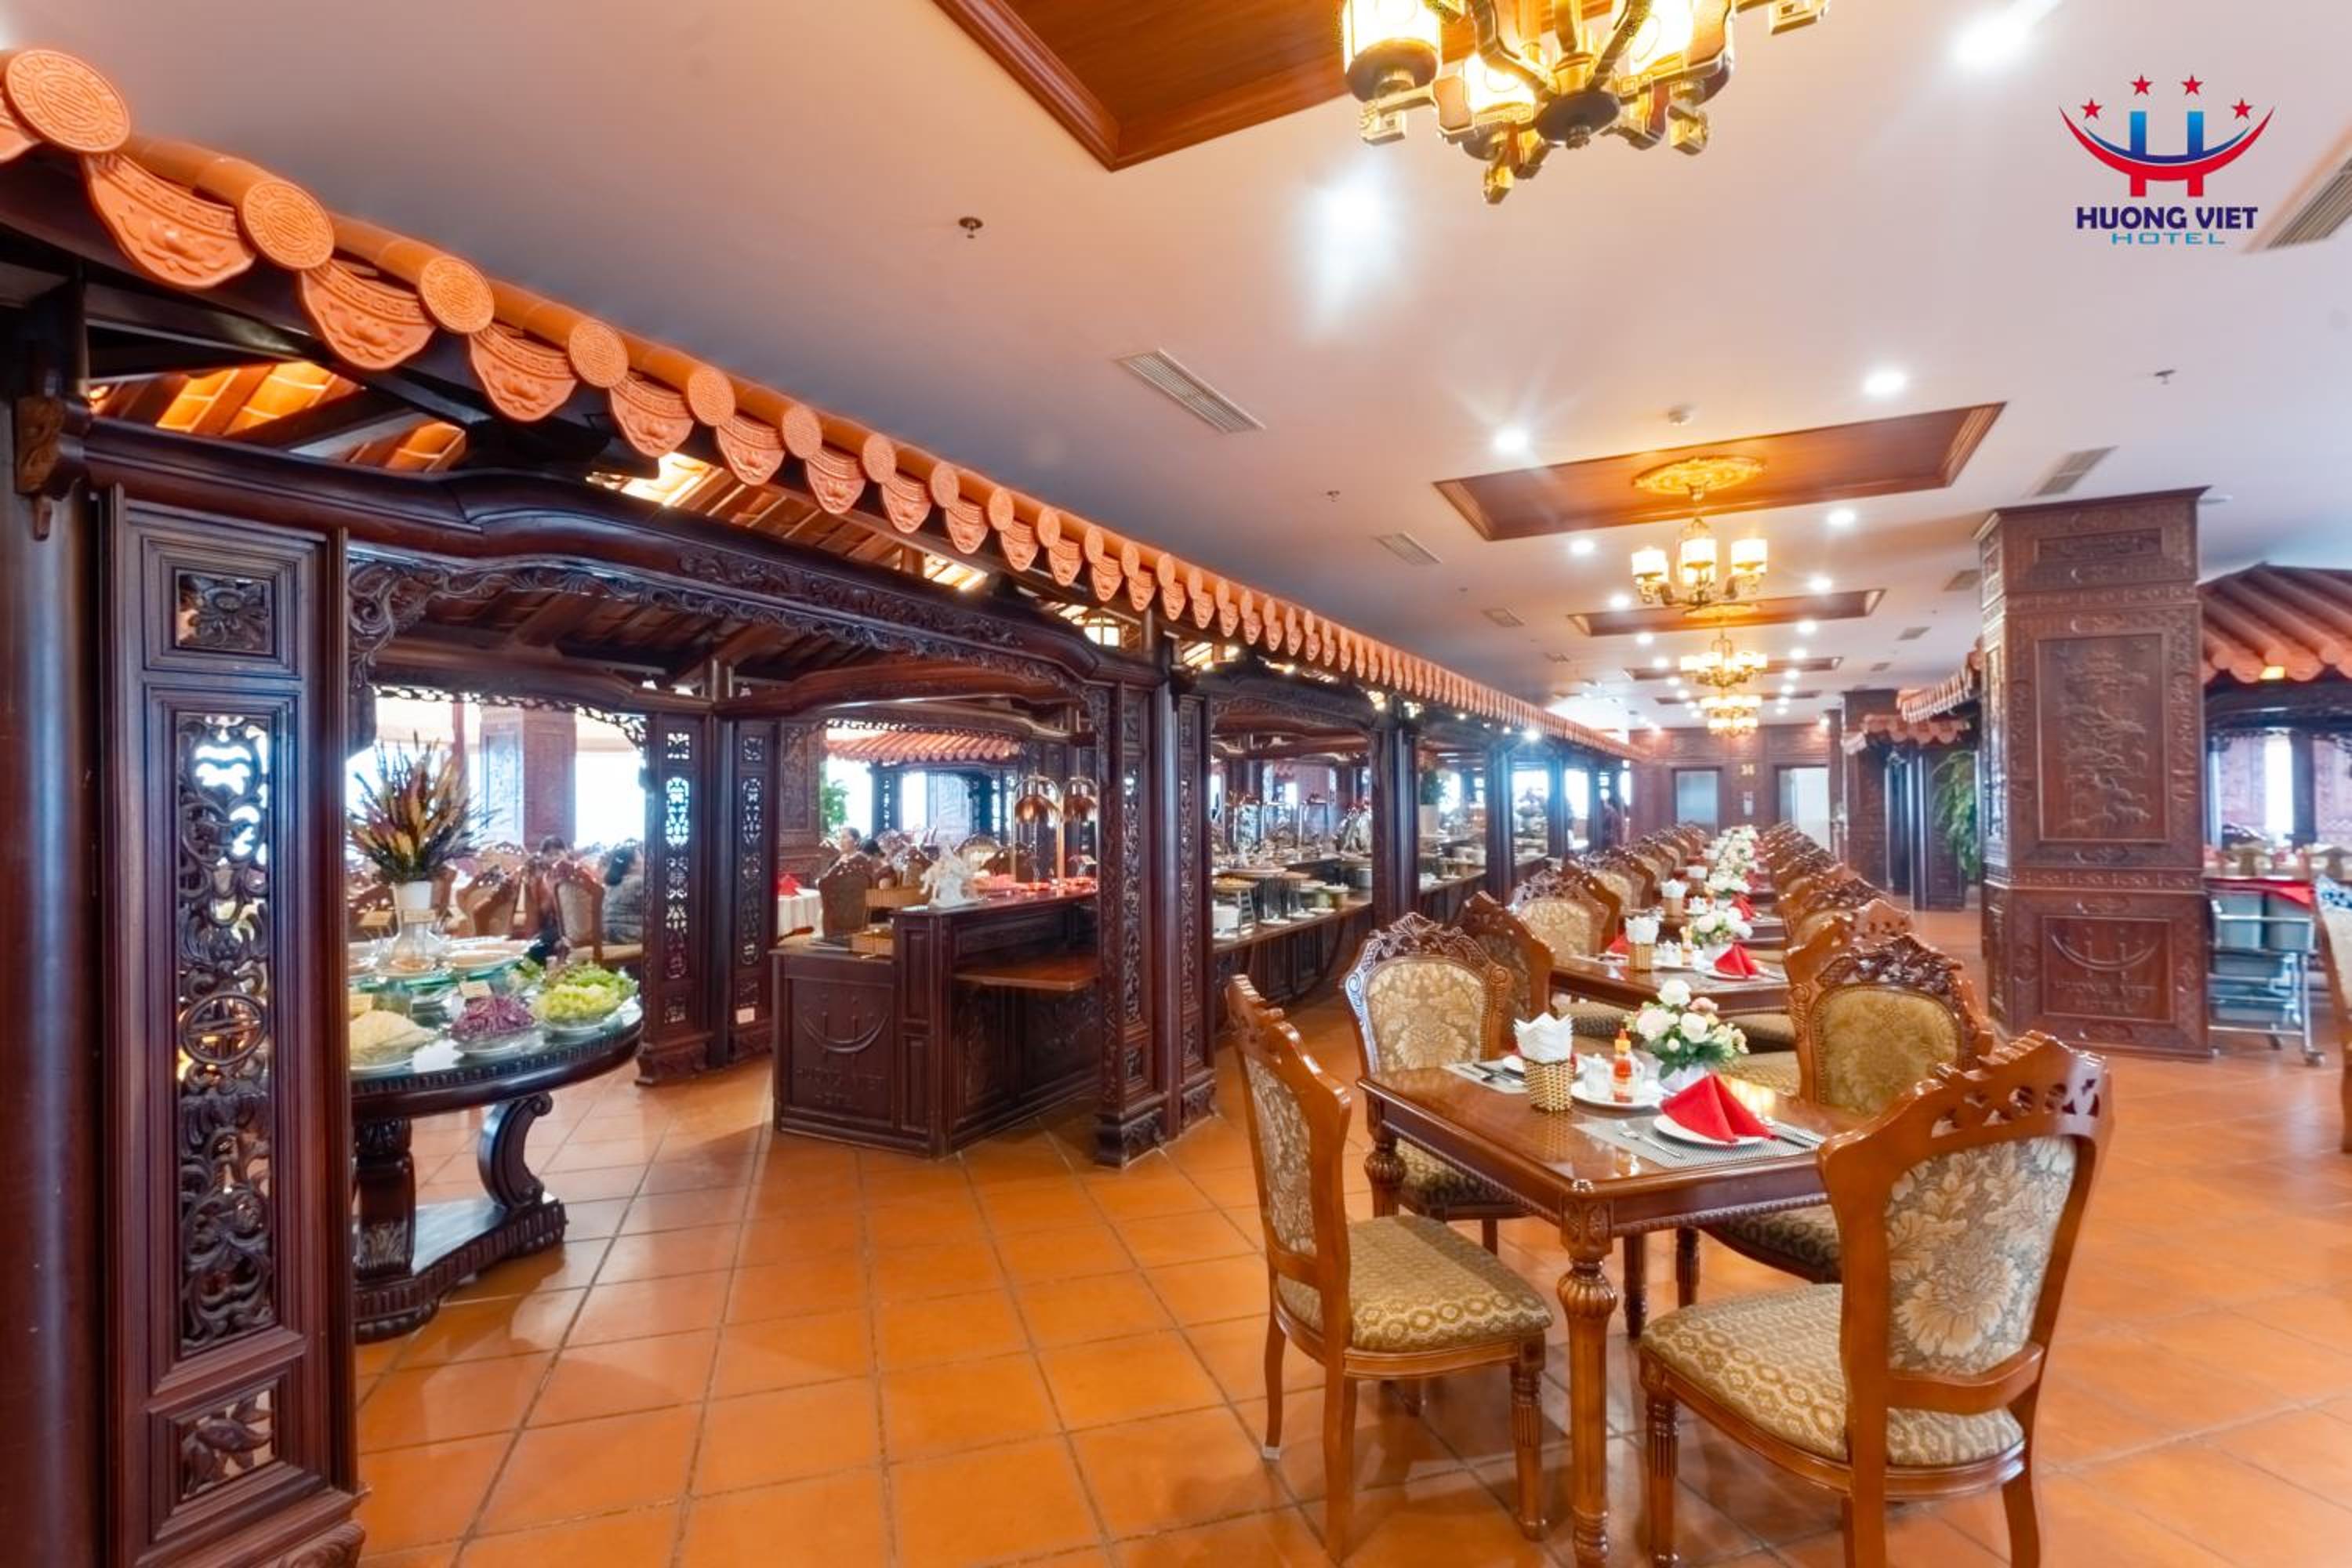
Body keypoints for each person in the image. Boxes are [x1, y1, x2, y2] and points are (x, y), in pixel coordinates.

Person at [602, 844, 644, 944]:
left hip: (607, 933)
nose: (644, 862)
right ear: (632, 865)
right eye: (641, 859)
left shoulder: (609, 885)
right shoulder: (638, 883)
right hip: (628, 934)